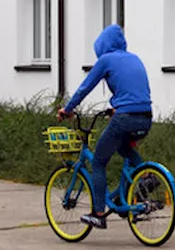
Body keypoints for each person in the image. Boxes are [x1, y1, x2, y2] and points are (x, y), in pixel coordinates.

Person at [57, 23, 153, 229]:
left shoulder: (106, 60)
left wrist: (67, 109)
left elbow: (85, 87)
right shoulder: (134, 58)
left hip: (125, 116)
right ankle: (144, 178)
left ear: (102, 46)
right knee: (124, 148)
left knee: (99, 161)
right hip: (146, 116)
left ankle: (98, 213)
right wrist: (116, 108)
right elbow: (135, 92)